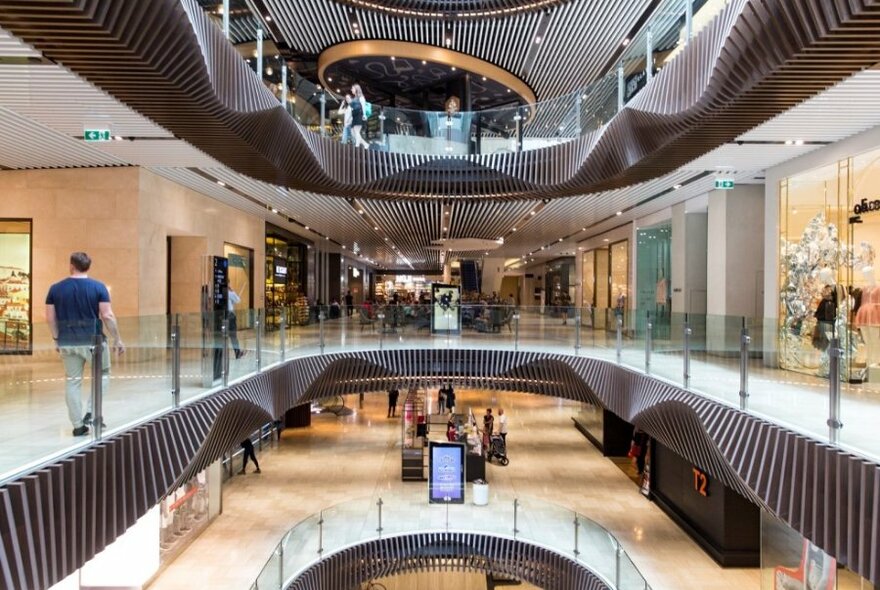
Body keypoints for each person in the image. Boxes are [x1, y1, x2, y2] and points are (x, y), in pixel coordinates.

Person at [45, 252, 125, 436]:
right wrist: (117, 339)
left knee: (72, 381)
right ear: (88, 267)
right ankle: (92, 411)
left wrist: (57, 339)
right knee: (103, 373)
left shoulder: (55, 289)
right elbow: (107, 315)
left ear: (71, 265)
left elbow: (50, 317)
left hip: (67, 341)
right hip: (93, 341)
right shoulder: (98, 287)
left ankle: (78, 425)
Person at [227, 285, 246, 359]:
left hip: (221, 316)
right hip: (230, 316)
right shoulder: (229, 293)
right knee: (233, 337)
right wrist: (232, 291)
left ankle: (219, 355)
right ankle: (237, 353)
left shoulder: (222, 294)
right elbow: (238, 300)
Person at [350, 83, 371, 149]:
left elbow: (363, 106)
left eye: (352, 88)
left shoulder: (361, 97)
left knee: (356, 132)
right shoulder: (355, 98)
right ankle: (365, 144)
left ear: (356, 89)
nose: (351, 90)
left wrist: (364, 115)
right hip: (355, 116)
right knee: (353, 133)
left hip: (359, 115)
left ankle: (357, 146)